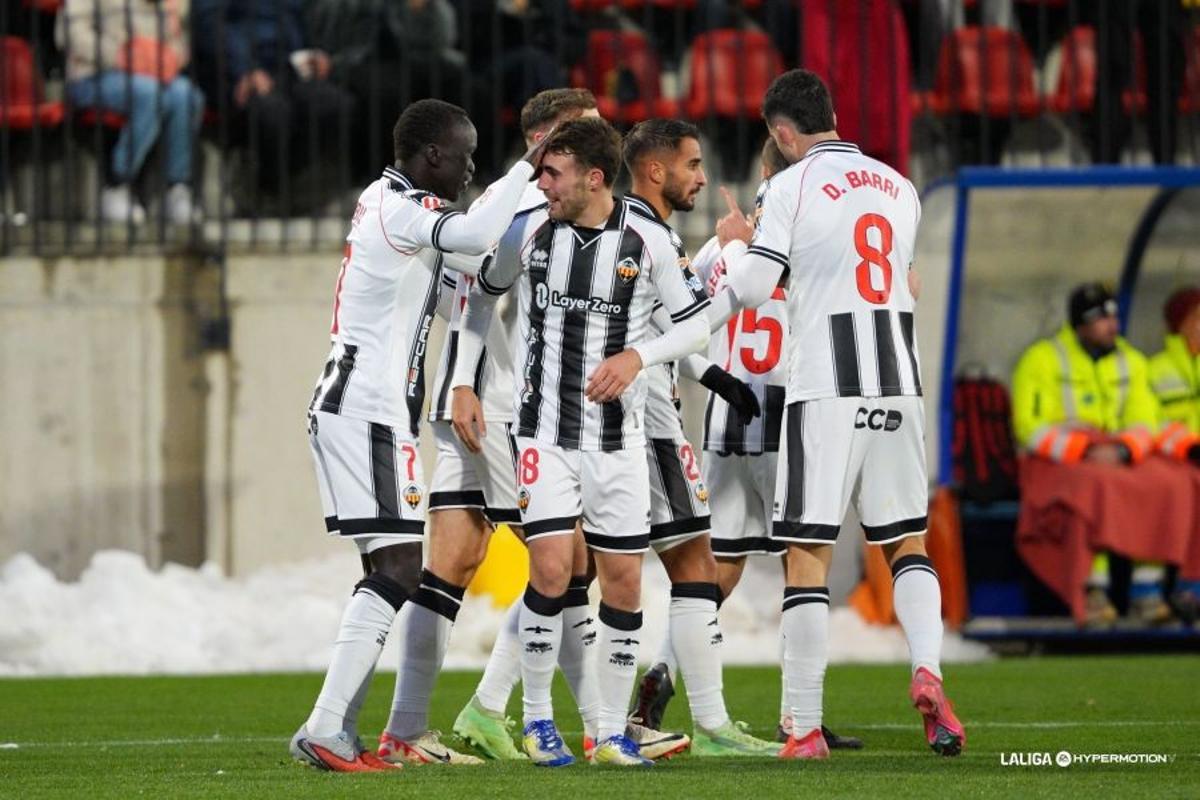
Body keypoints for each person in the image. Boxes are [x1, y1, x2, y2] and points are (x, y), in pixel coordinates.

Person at [707, 69, 963, 759]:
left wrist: (736, 244)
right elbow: (901, 283)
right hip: (899, 384)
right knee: (906, 544)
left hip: (827, 385)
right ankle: (929, 672)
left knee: (808, 555)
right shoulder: (899, 186)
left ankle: (804, 726)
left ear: (783, 134)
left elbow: (758, 286)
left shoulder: (787, 185)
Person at [290, 98, 549, 772]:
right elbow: (473, 235)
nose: (470, 170)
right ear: (432, 155)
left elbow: (484, 269)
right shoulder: (395, 206)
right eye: (463, 157)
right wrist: (531, 166)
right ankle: (325, 728)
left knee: (389, 568)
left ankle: (331, 729)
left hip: (378, 411)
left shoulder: (417, 219)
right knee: (403, 567)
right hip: (364, 406)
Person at [450, 116, 710, 767]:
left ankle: (606, 736)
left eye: (553, 173)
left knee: (623, 583)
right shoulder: (530, 229)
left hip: (618, 441)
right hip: (544, 432)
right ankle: (538, 722)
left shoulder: (648, 237)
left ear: (593, 178)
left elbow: (696, 327)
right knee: (552, 569)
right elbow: (482, 299)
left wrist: (639, 357)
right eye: (541, 172)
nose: (543, 184)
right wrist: (461, 382)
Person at [377, 88, 603, 766]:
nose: (601, 143)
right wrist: (473, 381)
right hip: (503, 409)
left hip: (474, 403)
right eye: (583, 132)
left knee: (448, 568)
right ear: (545, 138)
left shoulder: (527, 205)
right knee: (567, 563)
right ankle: (574, 720)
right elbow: (474, 296)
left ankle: (405, 730)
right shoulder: (533, 206)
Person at [633, 137, 863, 753]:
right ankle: (798, 717)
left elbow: (674, 316)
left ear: (764, 174)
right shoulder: (813, 244)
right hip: (790, 414)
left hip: (729, 424)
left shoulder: (719, 248)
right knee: (803, 563)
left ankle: (661, 673)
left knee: (718, 570)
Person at [620, 118, 779, 758]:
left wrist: (715, 375)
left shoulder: (624, 230)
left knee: (574, 571)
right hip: (649, 421)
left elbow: (667, 327)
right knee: (687, 566)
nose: (703, 179)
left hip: (625, 417)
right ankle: (700, 726)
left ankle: (598, 717)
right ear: (656, 170)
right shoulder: (650, 236)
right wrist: (743, 266)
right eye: (691, 165)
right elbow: (685, 324)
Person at [1011, 283, 1195, 626]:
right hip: (1057, 459)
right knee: (1095, 485)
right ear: (1080, 325)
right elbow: (1027, 427)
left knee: (1165, 481)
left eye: (1114, 317)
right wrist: (1085, 448)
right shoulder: (1041, 359)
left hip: (1117, 456)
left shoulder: (1133, 361)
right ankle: (1090, 588)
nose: (1112, 325)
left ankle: (1147, 588)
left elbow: (1147, 420)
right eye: (1101, 319)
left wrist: (1124, 449)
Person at [191, 0, 356, 205]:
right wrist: (243, 68)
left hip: (289, 69)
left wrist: (313, 52)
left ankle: (285, 182)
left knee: (336, 106)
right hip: (236, 74)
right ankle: (263, 187)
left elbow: (299, 20)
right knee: (273, 114)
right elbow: (209, 26)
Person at [58, 0, 204, 224]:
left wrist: (170, 58)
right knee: (150, 95)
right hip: (94, 74)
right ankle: (117, 185)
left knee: (187, 96)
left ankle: (176, 189)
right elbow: (68, 31)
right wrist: (119, 55)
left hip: (153, 74)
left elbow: (180, 38)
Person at [1147, 286, 1200, 621]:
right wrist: (1190, 447)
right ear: (1178, 324)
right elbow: (1151, 423)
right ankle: (1184, 588)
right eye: (1196, 318)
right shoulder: (1155, 369)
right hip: (1175, 458)